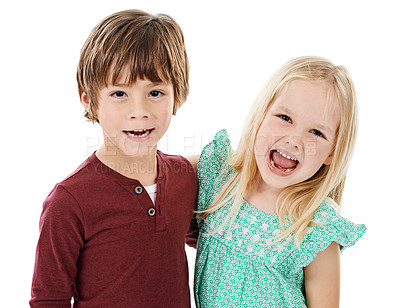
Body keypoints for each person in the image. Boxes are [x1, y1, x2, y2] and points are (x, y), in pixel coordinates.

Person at [30, 9, 198, 307]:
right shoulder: (68, 202)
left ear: (178, 94)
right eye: (119, 94)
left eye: (156, 92)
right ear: (88, 99)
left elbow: (219, 248)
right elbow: (48, 299)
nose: (139, 110)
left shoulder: (186, 178)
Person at [191, 56, 366, 307]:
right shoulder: (218, 177)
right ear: (261, 114)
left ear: (331, 153)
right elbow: (156, 170)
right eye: (285, 117)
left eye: (316, 132)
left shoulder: (316, 228)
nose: (294, 139)